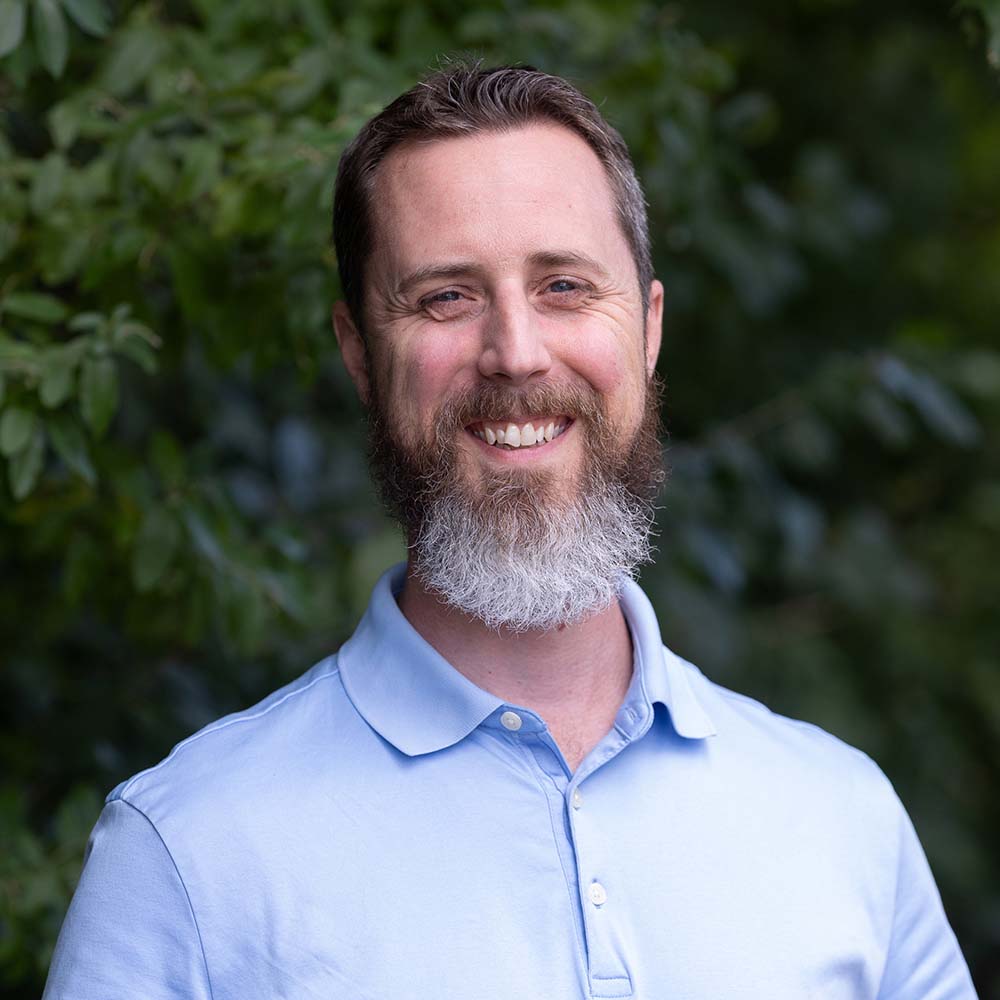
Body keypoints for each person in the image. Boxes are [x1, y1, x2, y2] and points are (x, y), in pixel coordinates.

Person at [43, 63, 976, 1000]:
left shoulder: (845, 822)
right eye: (446, 297)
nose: (517, 354)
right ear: (359, 353)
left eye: (564, 285)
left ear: (649, 329)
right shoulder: (186, 856)